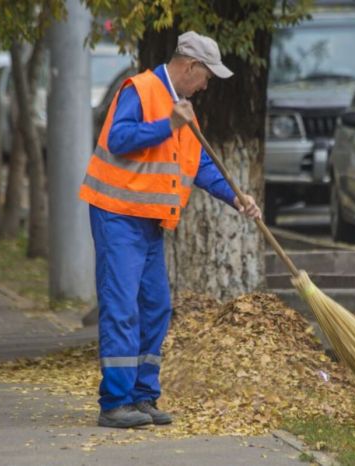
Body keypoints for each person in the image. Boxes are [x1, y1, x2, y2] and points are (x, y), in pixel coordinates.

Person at [79, 31, 262, 428]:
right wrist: (167, 124)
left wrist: (236, 196)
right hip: (118, 215)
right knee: (122, 308)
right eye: (206, 75)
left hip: (149, 222)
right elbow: (119, 137)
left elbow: (199, 164)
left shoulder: (184, 108)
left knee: (156, 306)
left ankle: (143, 397)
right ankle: (114, 403)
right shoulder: (140, 89)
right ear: (190, 66)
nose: (207, 84)